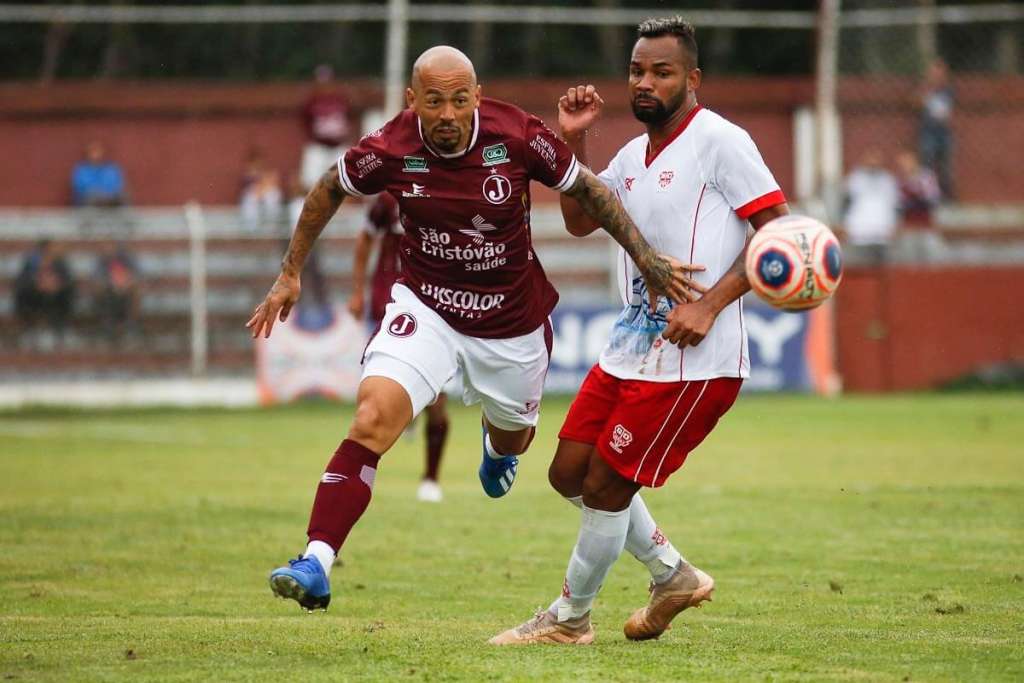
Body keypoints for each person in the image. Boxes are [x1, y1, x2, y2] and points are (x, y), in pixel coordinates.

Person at [247, 45, 698, 612]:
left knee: (514, 440)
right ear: (412, 100)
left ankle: (497, 445)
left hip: (512, 325)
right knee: (372, 417)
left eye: (460, 100)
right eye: (434, 101)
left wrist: (647, 259)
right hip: (427, 309)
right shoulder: (390, 145)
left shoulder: (516, 135)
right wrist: (290, 272)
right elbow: (329, 188)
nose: (447, 114)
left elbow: (588, 190)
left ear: (477, 97)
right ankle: (316, 559)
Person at [489, 17, 790, 645]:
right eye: (636, 71)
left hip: (694, 360)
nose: (645, 82)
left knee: (605, 486)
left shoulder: (721, 142)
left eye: (662, 72)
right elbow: (579, 222)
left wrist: (709, 306)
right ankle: (672, 574)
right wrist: (574, 141)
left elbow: (779, 231)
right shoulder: (631, 156)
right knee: (569, 473)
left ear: (693, 78)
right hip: (630, 349)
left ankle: (569, 619)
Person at [347, 192, 449, 503]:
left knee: (438, 399)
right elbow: (365, 239)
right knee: (378, 396)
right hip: (390, 304)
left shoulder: (452, 194)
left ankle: (431, 478)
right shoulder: (388, 199)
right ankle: (357, 479)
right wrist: (358, 292)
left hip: (435, 308)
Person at [841, 147, 900, 265]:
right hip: (858, 232)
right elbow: (845, 205)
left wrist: (895, 226)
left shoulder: (888, 180)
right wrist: (843, 225)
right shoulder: (854, 179)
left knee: (883, 268)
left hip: (883, 232)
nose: (873, 162)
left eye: (876, 158)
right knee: (858, 267)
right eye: (870, 158)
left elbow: (895, 206)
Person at [299, 64, 353, 192]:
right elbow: (305, 123)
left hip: (338, 147)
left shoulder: (341, 100)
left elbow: (350, 119)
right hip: (318, 147)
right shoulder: (311, 102)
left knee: (347, 182)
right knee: (309, 182)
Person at [14, 239, 76, 350]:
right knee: (24, 294)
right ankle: (31, 332)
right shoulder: (30, 263)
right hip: (35, 295)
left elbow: (69, 279)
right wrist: (37, 283)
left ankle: (60, 332)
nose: (46, 253)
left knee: (66, 295)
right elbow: (21, 280)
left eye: (49, 250)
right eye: (43, 251)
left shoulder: (60, 263)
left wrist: (57, 285)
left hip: (57, 295)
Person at [918, 58, 954, 200]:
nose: (937, 76)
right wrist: (927, 92)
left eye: (940, 73)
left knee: (946, 165)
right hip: (928, 131)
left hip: (944, 132)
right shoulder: (924, 88)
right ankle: (927, 194)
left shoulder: (948, 90)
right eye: (934, 73)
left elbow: (948, 110)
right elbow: (916, 102)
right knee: (927, 163)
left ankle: (946, 196)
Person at [93, 241, 139, 345]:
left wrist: (127, 282)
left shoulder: (127, 259)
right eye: (107, 247)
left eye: (112, 247)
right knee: (102, 292)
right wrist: (111, 283)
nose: (109, 250)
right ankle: (108, 326)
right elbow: (96, 277)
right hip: (109, 289)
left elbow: (138, 274)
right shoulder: (101, 260)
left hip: (127, 288)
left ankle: (130, 325)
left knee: (135, 292)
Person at [239, 148, 283, 231]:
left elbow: (272, 181)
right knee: (251, 199)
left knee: (272, 196)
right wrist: (260, 190)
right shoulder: (248, 177)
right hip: (255, 199)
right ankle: (251, 228)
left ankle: (271, 225)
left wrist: (264, 188)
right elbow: (254, 185)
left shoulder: (267, 173)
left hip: (265, 197)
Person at [71, 141, 126, 207]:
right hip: (90, 201)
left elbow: (118, 185)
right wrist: (99, 194)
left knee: (123, 196)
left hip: (111, 200)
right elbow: (81, 188)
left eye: (97, 151)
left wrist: (108, 195)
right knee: (91, 196)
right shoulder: (81, 170)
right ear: (88, 154)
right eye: (93, 152)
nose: (96, 155)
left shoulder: (111, 169)